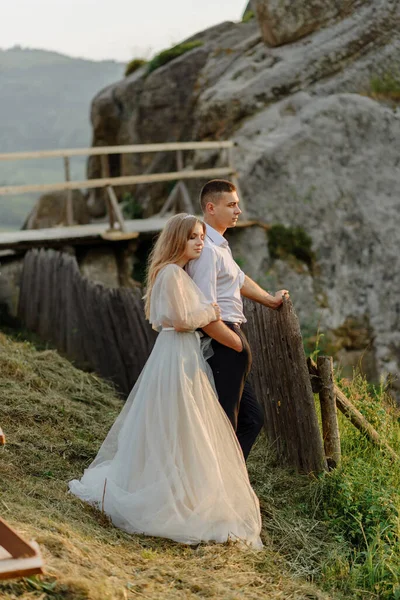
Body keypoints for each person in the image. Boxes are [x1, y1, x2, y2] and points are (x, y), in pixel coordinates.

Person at [69, 213, 262, 549]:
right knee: (184, 418)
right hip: (176, 352)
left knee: (185, 419)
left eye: (202, 236)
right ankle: (176, 490)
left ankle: (186, 483)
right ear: (177, 241)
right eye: (193, 237)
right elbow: (178, 320)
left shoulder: (176, 273)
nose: (200, 242)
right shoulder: (172, 273)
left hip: (180, 351)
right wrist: (211, 313)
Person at [186, 180, 289, 461]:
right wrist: (236, 345)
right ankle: (218, 491)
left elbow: (239, 278)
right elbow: (205, 312)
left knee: (251, 420)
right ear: (210, 207)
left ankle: (231, 486)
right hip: (223, 341)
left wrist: (270, 300)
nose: (238, 211)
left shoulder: (219, 245)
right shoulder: (206, 250)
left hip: (230, 341)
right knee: (226, 425)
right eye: (231, 205)